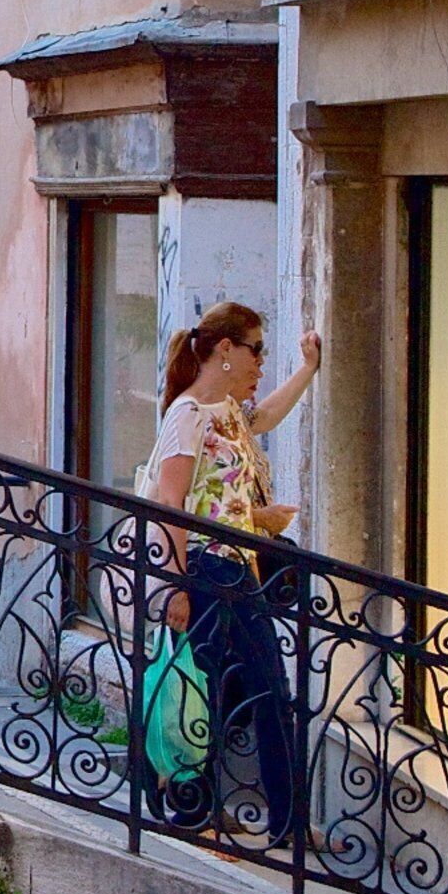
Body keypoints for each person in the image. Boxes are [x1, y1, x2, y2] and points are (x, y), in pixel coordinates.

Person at [136, 305, 320, 845]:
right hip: (205, 571)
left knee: (260, 688)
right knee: (203, 688)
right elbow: (171, 502)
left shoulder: (230, 413)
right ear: (225, 351)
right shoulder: (187, 415)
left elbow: (266, 417)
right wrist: (174, 584)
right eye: (256, 349)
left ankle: (279, 820)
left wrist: (308, 369)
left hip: (238, 568)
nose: (261, 361)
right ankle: (192, 810)